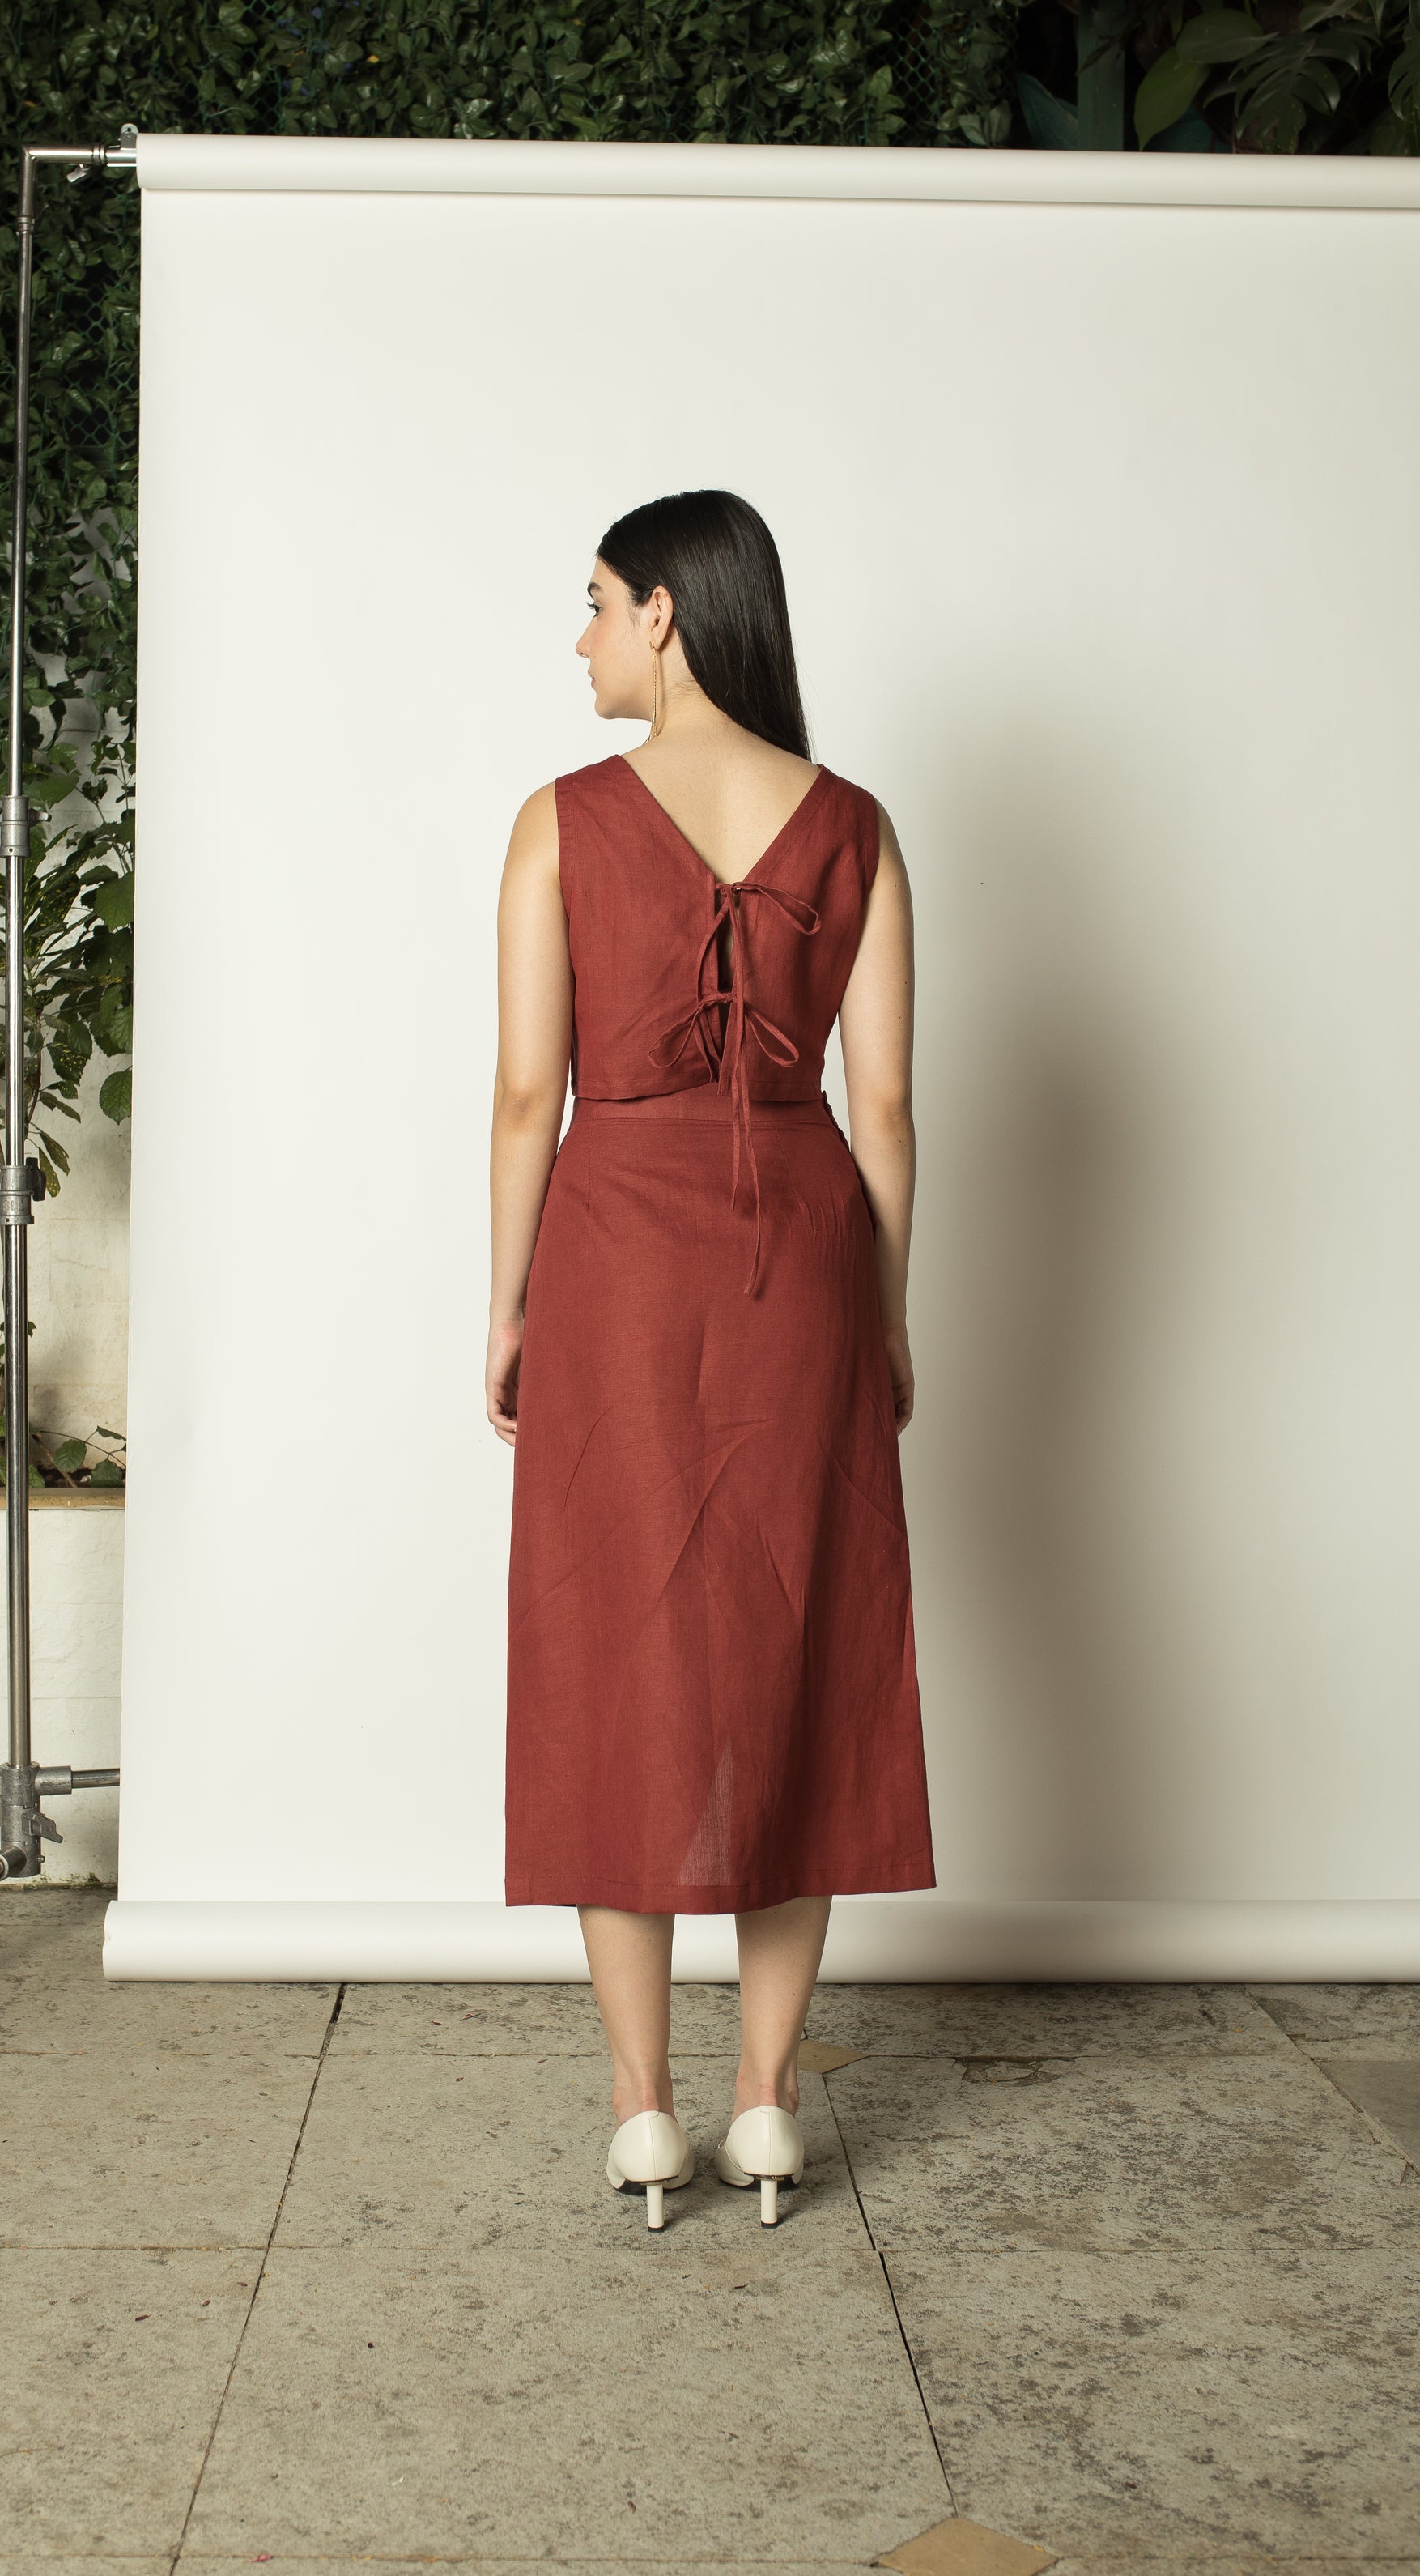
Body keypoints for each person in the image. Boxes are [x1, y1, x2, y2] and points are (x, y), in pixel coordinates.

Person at [487, 488, 934, 2233]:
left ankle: (640, 2110)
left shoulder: (559, 821)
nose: (582, 635)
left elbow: (527, 1093)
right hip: (801, 1259)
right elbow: (881, 1104)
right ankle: (764, 2101)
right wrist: (884, 1312)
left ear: (666, 612)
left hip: (611, 1254)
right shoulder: (855, 827)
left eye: (598, 601)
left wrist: (508, 1301)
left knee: (611, 1646)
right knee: (797, 1642)